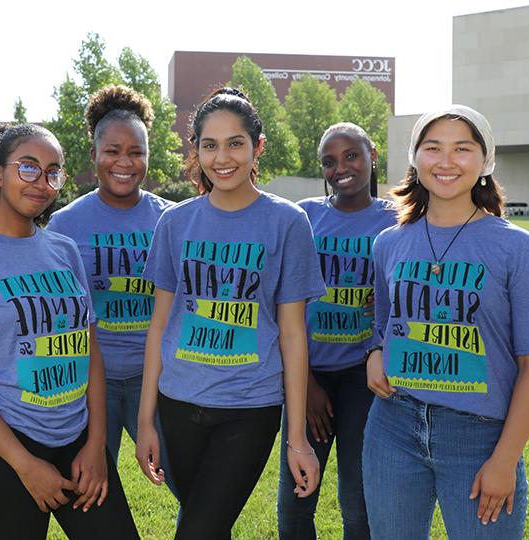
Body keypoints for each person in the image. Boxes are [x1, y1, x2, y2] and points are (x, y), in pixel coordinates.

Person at [0, 123, 139, 539]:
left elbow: (89, 355)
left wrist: (96, 447)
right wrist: (25, 464)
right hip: (2, 450)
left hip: (77, 442)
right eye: (29, 168)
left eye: (53, 172)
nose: (42, 182)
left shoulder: (64, 251)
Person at [135, 87, 326, 539]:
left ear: (257, 147)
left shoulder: (287, 222)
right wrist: (146, 421)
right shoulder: (176, 223)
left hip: (250, 407)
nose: (223, 157)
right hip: (177, 405)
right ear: (196, 149)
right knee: (206, 524)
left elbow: (293, 334)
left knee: (198, 531)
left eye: (235, 143)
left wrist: (296, 439)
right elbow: (159, 326)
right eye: (210, 144)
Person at [365, 105, 529, 539]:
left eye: (462, 149)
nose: (446, 161)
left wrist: (505, 458)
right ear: (416, 159)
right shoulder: (388, 243)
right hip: (393, 426)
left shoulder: (519, 250)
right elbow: (383, 321)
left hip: (480, 436)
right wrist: (375, 352)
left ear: (485, 162)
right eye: (432, 148)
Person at [48, 85, 178, 497]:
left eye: (136, 152)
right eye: (112, 151)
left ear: (148, 156)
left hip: (158, 379)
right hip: (91, 383)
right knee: (87, 492)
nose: (124, 162)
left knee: (191, 487)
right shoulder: (64, 225)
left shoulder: (172, 221)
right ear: (93, 156)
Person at [278, 123, 397, 539]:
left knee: (357, 500)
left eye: (351, 156)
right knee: (296, 498)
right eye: (329, 161)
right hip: (306, 370)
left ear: (372, 155)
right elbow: (280, 301)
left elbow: (415, 284)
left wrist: (388, 301)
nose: (341, 168)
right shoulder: (305, 216)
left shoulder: (397, 220)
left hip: (365, 375)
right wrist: (306, 382)